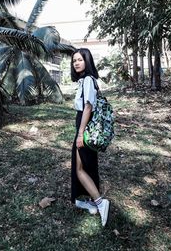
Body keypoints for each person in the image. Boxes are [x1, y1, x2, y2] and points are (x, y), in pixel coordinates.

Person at [70, 48, 110, 227]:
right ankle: (90, 201)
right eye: (74, 60)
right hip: (86, 124)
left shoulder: (87, 80)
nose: (76, 63)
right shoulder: (87, 80)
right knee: (85, 165)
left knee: (79, 168)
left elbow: (87, 107)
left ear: (87, 61)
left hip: (85, 125)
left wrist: (80, 133)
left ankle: (100, 202)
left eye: (80, 59)